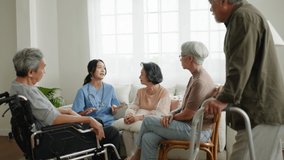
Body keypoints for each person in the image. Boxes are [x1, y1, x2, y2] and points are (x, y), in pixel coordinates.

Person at [204, 0, 284, 160]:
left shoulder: (243, 17)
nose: (210, 7)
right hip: (263, 110)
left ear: (223, 1)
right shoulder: (244, 16)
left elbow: (240, 64)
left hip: (260, 111)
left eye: (211, 2)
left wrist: (223, 99)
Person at [10, 48, 121, 159]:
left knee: (98, 122)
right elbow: (53, 119)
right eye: (43, 68)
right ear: (30, 72)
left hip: (52, 134)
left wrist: (66, 110)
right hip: (56, 137)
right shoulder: (28, 92)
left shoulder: (19, 88)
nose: (44, 72)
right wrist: (88, 119)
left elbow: (40, 112)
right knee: (111, 132)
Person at [128, 41, 216, 160]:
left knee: (148, 120)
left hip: (196, 131)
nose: (180, 59)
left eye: (181, 56)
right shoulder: (194, 77)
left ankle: (136, 155)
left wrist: (172, 117)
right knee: (148, 138)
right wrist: (171, 114)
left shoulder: (200, 81)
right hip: (191, 126)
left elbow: (188, 114)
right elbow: (184, 107)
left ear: (190, 59)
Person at [112, 62, 171, 156]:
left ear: (150, 75)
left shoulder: (164, 92)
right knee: (126, 132)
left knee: (136, 132)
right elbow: (133, 106)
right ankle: (130, 157)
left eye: (142, 74)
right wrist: (129, 115)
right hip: (137, 120)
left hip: (152, 122)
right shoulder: (140, 91)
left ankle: (136, 157)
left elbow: (161, 113)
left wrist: (138, 118)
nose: (139, 77)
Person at [72, 59, 120, 126]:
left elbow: (114, 110)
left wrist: (114, 109)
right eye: (99, 67)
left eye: (104, 68)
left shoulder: (110, 88)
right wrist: (85, 112)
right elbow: (75, 115)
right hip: (93, 124)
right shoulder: (82, 91)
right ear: (91, 71)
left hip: (110, 123)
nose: (103, 70)